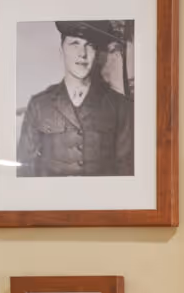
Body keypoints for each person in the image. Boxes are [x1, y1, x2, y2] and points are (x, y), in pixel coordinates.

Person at [15, 20, 134, 178]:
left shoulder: (121, 107)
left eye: (89, 45)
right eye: (74, 44)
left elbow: (126, 172)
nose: (82, 53)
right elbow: (25, 171)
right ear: (61, 50)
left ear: (97, 53)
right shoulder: (39, 106)